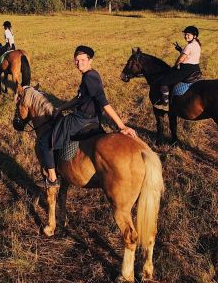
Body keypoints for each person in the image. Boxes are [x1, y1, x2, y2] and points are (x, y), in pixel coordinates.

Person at [29, 45, 137, 189]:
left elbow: (104, 103)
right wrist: (62, 107)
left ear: (90, 60)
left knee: (45, 140)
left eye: (82, 60)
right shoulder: (89, 75)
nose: (79, 63)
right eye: (76, 60)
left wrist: (121, 126)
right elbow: (79, 98)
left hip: (81, 120)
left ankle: (53, 179)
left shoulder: (90, 78)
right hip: (90, 119)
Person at [154, 26, 202, 111]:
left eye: (188, 35)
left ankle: (165, 104)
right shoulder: (197, 44)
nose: (186, 36)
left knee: (163, 81)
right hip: (196, 68)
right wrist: (180, 49)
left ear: (194, 36)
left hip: (186, 70)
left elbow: (181, 59)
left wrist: (175, 66)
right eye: (185, 34)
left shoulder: (189, 46)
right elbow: (190, 55)